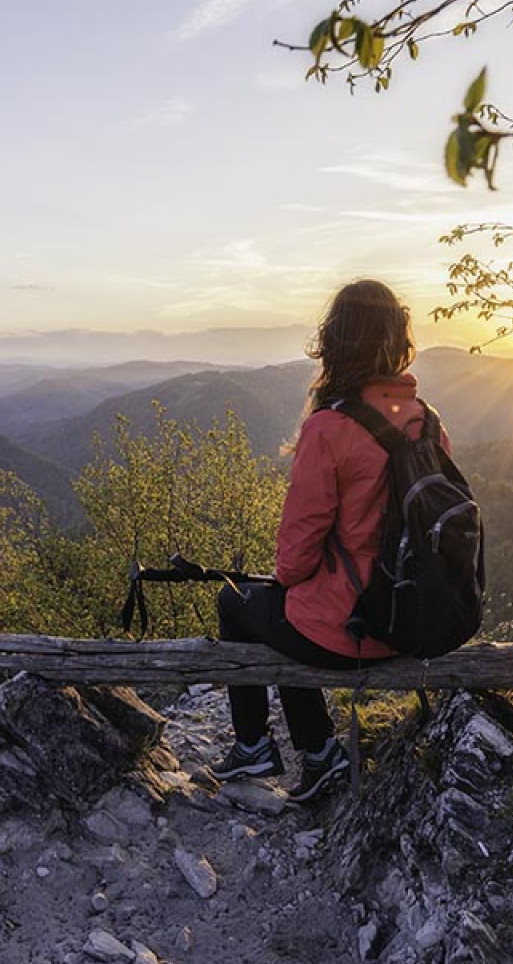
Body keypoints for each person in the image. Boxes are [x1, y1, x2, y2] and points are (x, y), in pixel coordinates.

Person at [211, 278, 448, 802]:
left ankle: (261, 745)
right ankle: (315, 754)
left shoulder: (329, 428)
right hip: (417, 619)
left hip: (357, 630)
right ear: (397, 340)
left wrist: (287, 581)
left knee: (240, 600)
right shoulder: (426, 421)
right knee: (291, 609)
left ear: (336, 342)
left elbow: (295, 558)